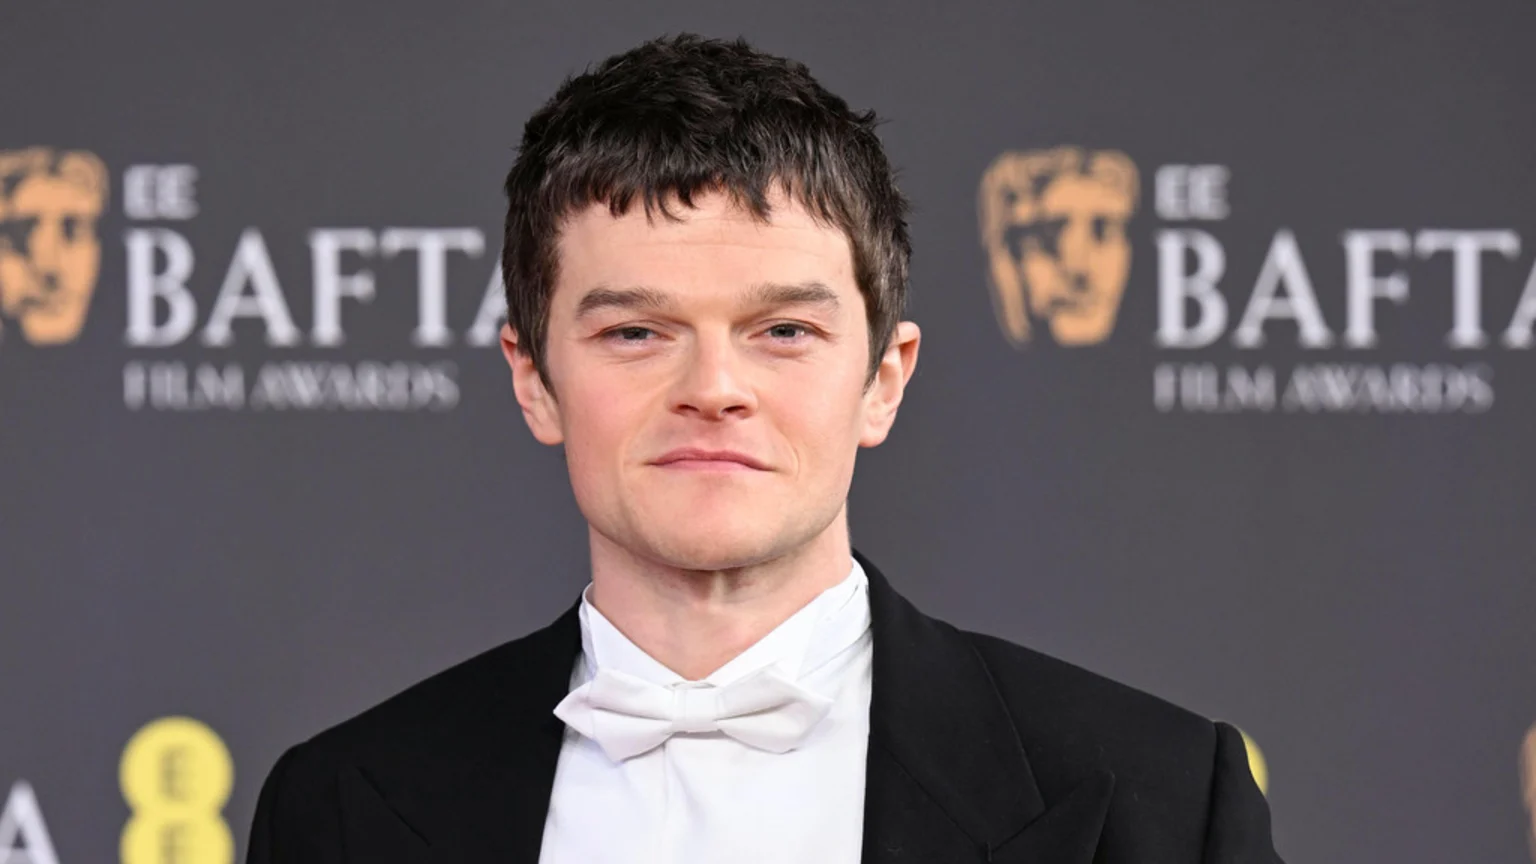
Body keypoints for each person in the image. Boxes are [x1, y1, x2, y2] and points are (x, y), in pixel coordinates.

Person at [247, 34, 1282, 864]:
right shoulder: (345, 808)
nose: (713, 391)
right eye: (635, 333)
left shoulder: (1156, 801)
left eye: (783, 331)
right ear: (533, 379)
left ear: (884, 378)